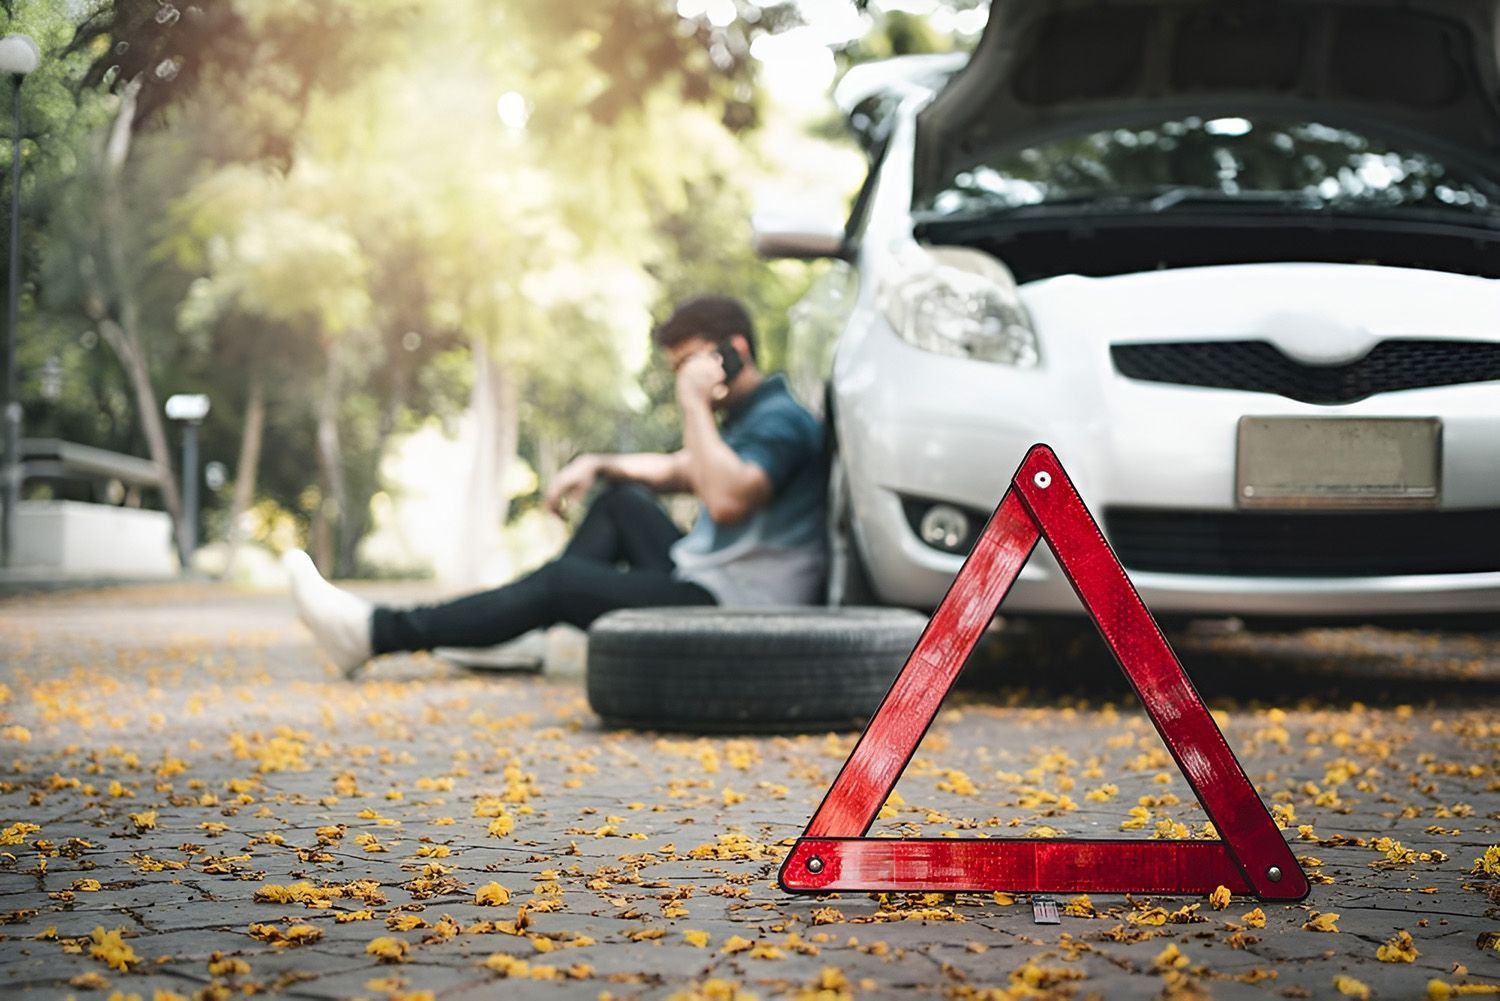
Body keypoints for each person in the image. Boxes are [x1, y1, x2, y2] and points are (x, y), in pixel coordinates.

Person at [285, 294, 828, 677]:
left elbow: (728, 498)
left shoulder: (781, 420)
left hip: (739, 612)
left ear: (733, 350)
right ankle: (520, 632)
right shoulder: (751, 417)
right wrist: (599, 463)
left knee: (562, 582)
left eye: (688, 363)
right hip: (711, 583)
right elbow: (683, 469)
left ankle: (374, 633)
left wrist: (692, 401)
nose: (681, 377)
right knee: (619, 502)